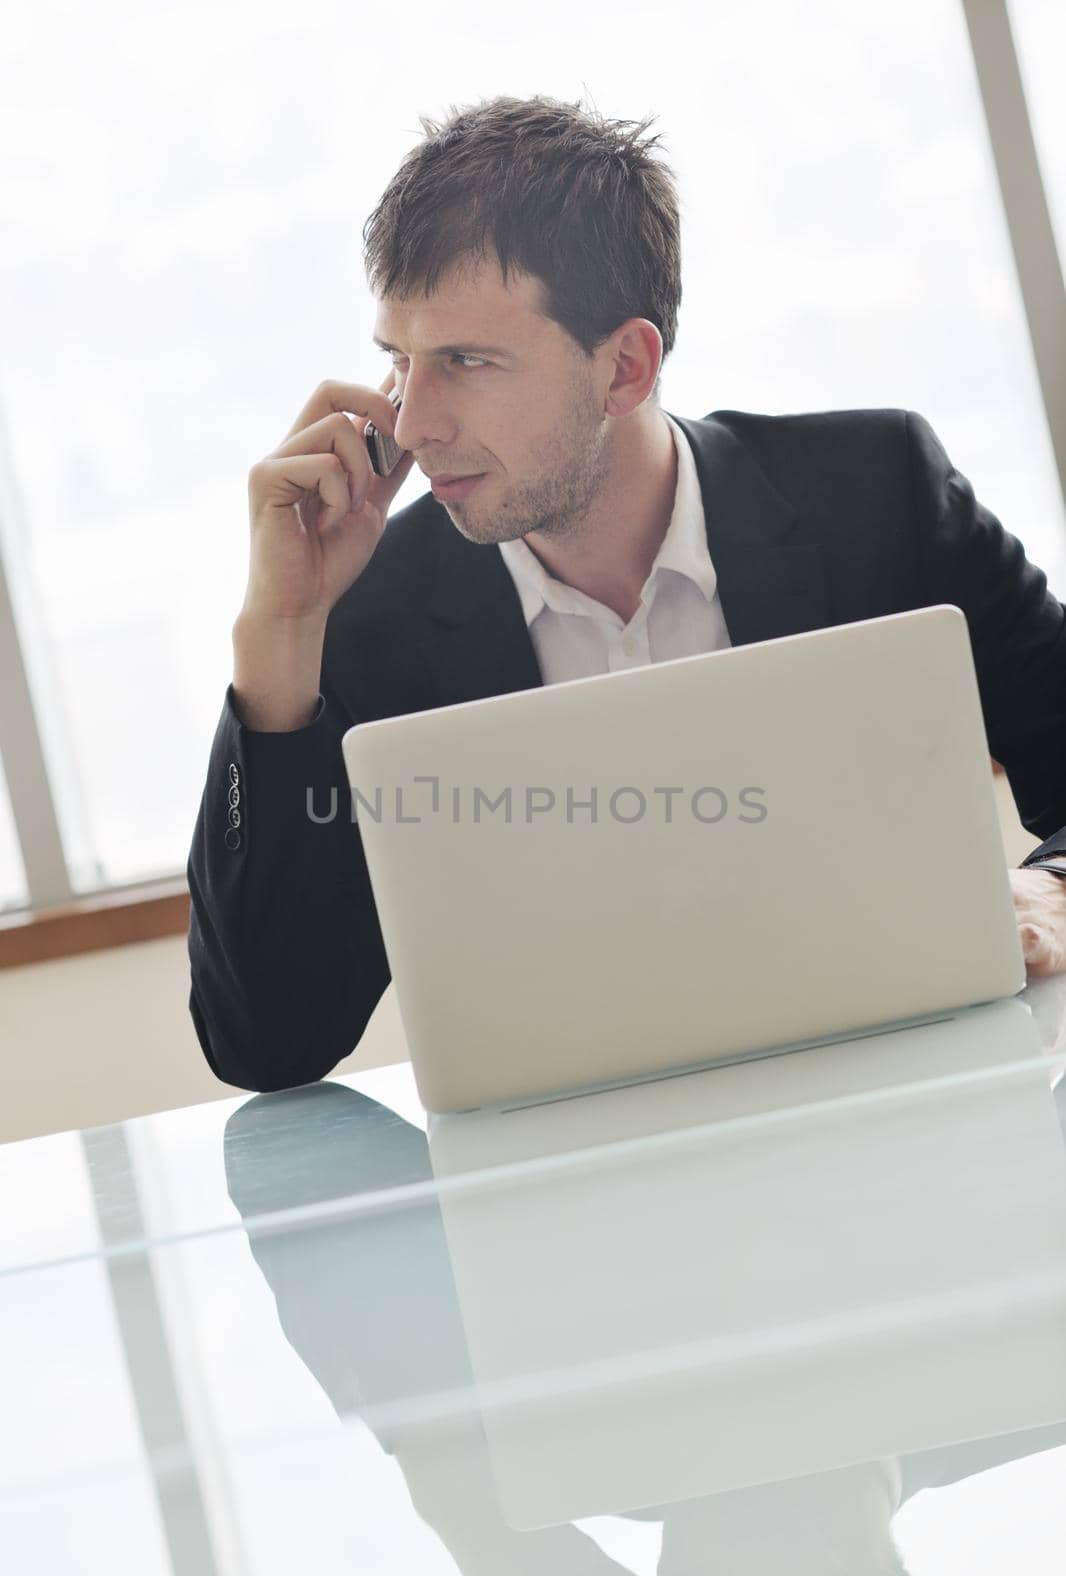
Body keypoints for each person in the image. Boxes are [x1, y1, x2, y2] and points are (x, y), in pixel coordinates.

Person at [187, 94, 1066, 1095]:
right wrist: (280, 633)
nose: (413, 422)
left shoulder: (877, 494)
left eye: (466, 361)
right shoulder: (368, 607)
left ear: (626, 365)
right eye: (398, 360)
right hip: (573, 1196)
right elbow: (268, 1042)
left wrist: (1051, 891)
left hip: (911, 1120)